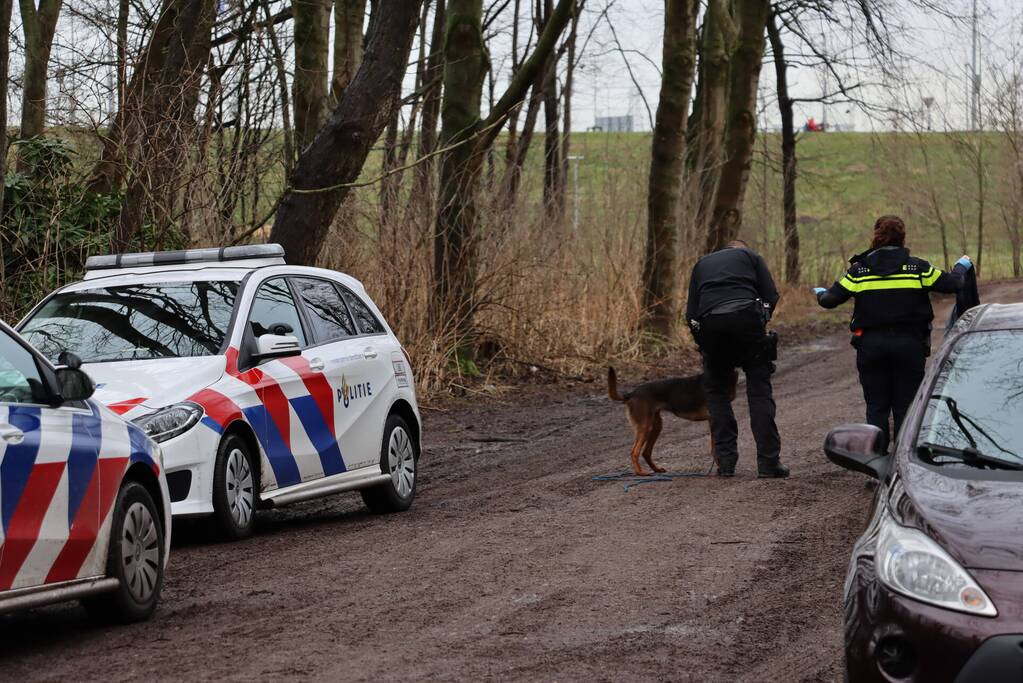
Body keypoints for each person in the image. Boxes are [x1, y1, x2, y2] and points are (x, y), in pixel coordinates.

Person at [813, 215, 971, 452]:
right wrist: (961, 267)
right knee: (906, 406)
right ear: (902, 237)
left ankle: (876, 465)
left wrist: (820, 293)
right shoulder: (917, 268)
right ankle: (903, 462)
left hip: (871, 346)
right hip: (910, 345)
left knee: (876, 406)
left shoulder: (859, 271)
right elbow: (954, 284)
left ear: (875, 236)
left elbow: (828, 301)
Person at [686, 240, 788, 478]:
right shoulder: (751, 256)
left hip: (712, 325)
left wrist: (704, 346)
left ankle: (726, 463)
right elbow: (771, 295)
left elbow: (691, 314)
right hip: (746, 319)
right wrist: (761, 320)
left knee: (717, 393)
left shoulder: (701, 264)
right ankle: (768, 464)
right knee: (759, 390)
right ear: (741, 249)